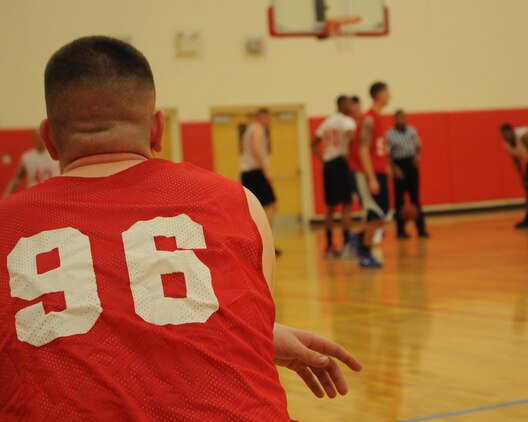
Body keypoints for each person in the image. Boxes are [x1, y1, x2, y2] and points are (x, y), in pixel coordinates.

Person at [0, 36, 361, 420]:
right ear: (158, 129)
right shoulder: (238, 204)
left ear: (50, 139)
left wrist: (257, 333)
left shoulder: (9, 222)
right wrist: (254, 333)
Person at [349, 82, 390, 268]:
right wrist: (371, 177)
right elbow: (363, 150)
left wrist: (385, 167)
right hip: (366, 175)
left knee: (381, 216)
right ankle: (364, 253)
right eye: (387, 92)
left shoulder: (379, 117)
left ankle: (357, 239)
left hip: (378, 171)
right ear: (379, 94)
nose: (390, 96)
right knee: (375, 216)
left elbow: (376, 149)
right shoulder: (369, 119)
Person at [311, 95, 357, 258]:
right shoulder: (347, 121)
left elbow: (313, 142)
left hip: (329, 164)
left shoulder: (328, 122)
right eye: (350, 103)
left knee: (330, 207)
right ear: (342, 104)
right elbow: (352, 135)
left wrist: (323, 158)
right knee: (346, 205)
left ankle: (329, 246)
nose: (352, 106)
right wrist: (349, 151)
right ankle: (346, 245)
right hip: (340, 162)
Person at [240, 108, 282, 255]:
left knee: (256, 209)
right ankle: (265, 242)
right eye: (269, 118)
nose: (270, 121)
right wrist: (266, 171)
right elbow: (257, 150)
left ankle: (257, 242)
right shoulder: (258, 129)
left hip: (248, 172)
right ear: (262, 117)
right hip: (255, 172)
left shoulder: (249, 129)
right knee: (271, 205)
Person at [386, 110, 429, 238]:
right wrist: (394, 169)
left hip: (411, 165)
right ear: (395, 119)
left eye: (403, 117)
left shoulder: (412, 131)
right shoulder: (389, 134)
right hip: (399, 165)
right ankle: (400, 231)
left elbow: (418, 146)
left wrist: (418, 156)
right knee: (400, 201)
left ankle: (421, 229)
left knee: (415, 198)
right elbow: (388, 154)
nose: (402, 119)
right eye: (399, 117)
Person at [1, 129, 60, 199]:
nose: (39, 140)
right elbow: (17, 179)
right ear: (33, 139)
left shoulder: (56, 154)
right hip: (34, 195)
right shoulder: (27, 157)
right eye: (37, 137)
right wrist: (6, 195)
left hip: (52, 194)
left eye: (41, 137)